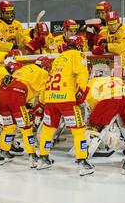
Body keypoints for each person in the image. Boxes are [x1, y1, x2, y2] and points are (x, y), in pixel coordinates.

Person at [37, 37, 94, 176]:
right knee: (78, 130)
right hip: (66, 99)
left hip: (50, 98)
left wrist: (43, 101)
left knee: (48, 129)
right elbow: (82, 73)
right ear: (79, 46)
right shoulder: (77, 54)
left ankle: (43, 158)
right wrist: (81, 91)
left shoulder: (58, 58)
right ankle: (82, 162)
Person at [0, 56, 51, 167]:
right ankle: (32, 155)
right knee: (26, 129)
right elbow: (44, 94)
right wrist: (41, 104)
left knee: (8, 127)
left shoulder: (25, 68)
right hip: (17, 94)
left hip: (2, 92)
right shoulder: (43, 73)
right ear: (45, 67)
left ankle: (4, 152)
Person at [85, 75, 125, 157]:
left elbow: (89, 98)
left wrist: (93, 115)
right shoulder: (118, 79)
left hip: (109, 100)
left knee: (95, 125)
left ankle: (85, 152)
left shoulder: (93, 81)